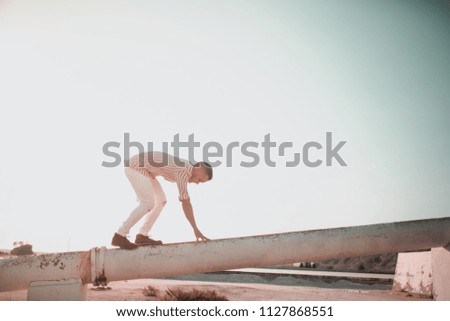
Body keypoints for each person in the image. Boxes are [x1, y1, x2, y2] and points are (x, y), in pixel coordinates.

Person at [111, 151, 213, 249]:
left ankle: (142, 235)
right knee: (148, 203)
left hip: (146, 171)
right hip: (135, 167)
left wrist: (153, 171)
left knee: (161, 200)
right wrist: (195, 229)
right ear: (198, 169)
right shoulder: (184, 171)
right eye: (199, 180)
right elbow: (186, 202)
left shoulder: (185, 167)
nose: (197, 183)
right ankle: (120, 235)